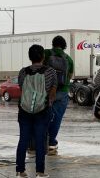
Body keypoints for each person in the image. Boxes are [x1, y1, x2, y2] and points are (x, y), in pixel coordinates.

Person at [16, 44, 57, 178]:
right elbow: (52, 93)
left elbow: (23, 89)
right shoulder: (50, 72)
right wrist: (48, 104)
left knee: (23, 140)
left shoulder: (23, 72)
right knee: (40, 140)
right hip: (42, 111)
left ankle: (20, 171)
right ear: (43, 56)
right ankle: (40, 172)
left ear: (30, 57)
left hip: (24, 110)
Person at [44, 36, 74, 155]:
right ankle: (51, 142)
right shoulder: (68, 59)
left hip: (47, 90)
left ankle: (40, 140)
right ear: (64, 45)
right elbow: (70, 76)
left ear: (53, 43)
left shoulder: (46, 53)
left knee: (43, 117)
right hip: (62, 91)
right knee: (57, 118)